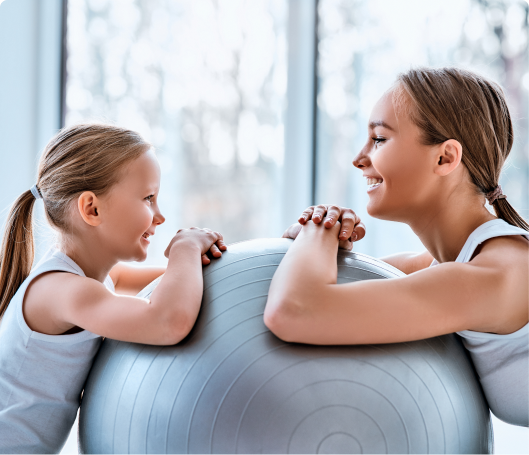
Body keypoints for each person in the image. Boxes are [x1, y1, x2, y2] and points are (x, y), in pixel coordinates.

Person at [264, 67, 529, 426]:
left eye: (379, 139)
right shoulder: (447, 266)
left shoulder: (497, 275)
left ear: (445, 158)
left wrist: (318, 227)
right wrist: (322, 241)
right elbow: (323, 283)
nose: (359, 158)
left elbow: (294, 311)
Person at [0, 123, 226, 454]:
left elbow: (178, 282)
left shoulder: (96, 278)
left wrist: (204, 259)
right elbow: (167, 321)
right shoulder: (62, 292)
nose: (160, 216)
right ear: (92, 209)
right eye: (148, 198)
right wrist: (185, 249)